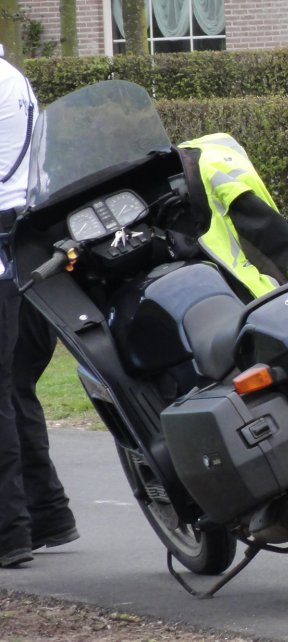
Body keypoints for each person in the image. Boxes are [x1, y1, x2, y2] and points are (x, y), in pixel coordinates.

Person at [0, 53, 78, 569]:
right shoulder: (12, 78)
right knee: (16, 383)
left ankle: (9, 532)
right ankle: (46, 514)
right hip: (25, 245)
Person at [176, 133, 288, 299]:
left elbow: (263, 234)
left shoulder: (202, 168)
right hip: (279, 276)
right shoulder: (216, 153)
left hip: (264, 293)